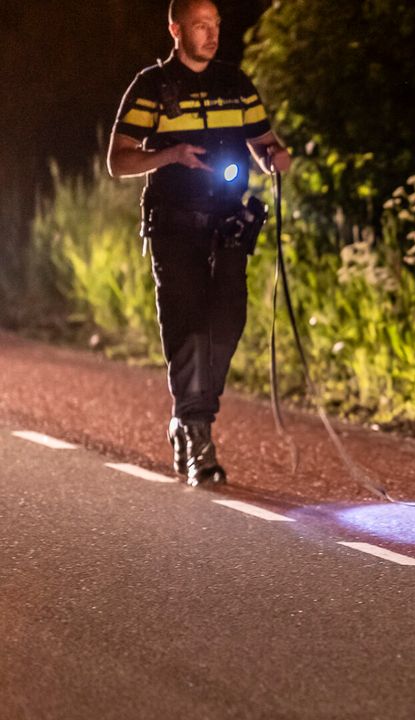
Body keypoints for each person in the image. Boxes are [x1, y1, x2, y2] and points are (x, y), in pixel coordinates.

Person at [107, 0, 291, 486]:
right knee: (188, 327)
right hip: (174, 225)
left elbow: (264, 140)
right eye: (200, 26)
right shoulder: (152, 87)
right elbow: (118, 161)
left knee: (228, 322)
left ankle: (191, 417)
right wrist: (170, 154)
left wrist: (275, 156)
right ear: (175, 29)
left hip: (229, 222)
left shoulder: (236, 83)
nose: (211, 35)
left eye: (215, 26)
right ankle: (196, 434)